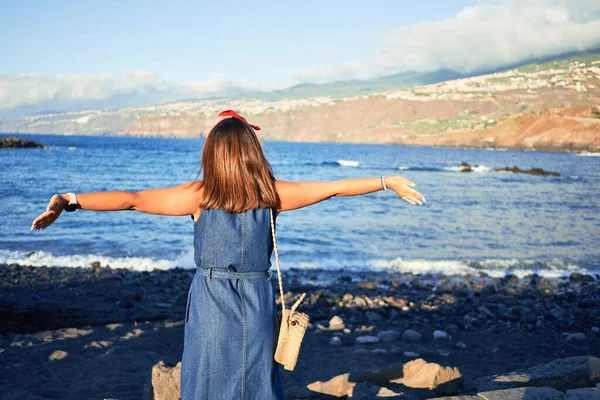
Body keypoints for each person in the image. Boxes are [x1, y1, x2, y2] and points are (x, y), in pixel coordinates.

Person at [30, 110, 426, 399]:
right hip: (256, 300)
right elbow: (333, 187)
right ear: (251, 151)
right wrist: (384, 181)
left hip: (211, 298)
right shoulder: (271, 193)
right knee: (254, 379)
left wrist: (70, 200)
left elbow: (132, 200)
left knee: (208, 378)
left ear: (213, 154)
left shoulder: (199, 195)